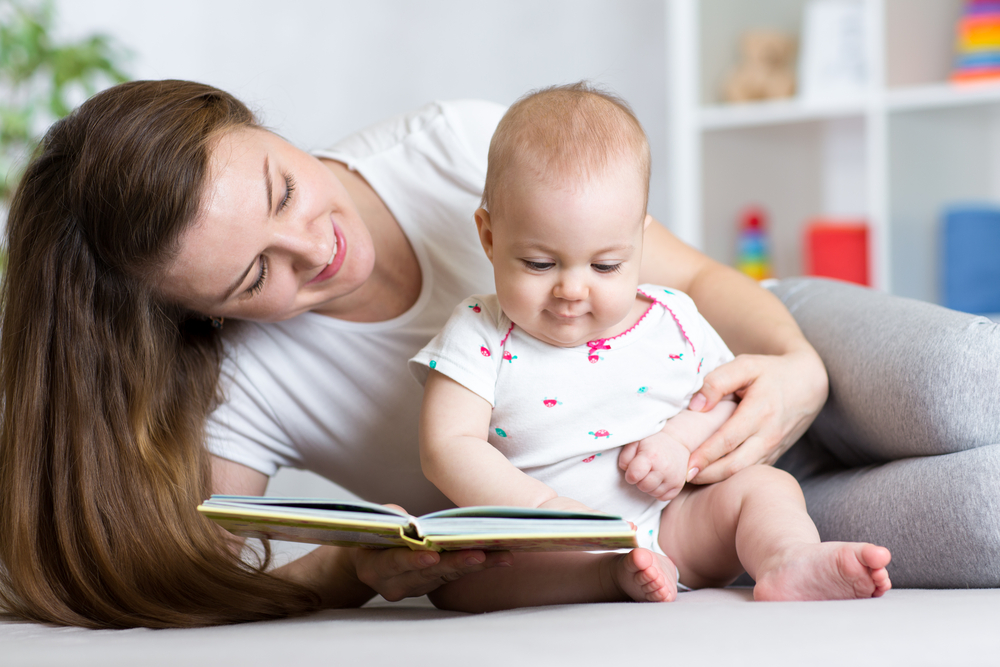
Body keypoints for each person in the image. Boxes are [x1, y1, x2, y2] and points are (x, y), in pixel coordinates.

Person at [0, 78, 994, 629]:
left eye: (280, 191)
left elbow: (693, 281)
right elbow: (215, 577)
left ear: (262, 126)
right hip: (696, 513)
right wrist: (356, 567)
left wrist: (795, 368)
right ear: (197, 316)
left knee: (965, 385)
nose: (312, 247)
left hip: (745, 353)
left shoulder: (443, 146)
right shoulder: (238, 387)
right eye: (251, 276)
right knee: (985, 514)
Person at [410, 83, 892, 606]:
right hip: (542, 542)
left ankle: (788, 558)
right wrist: (544, 509)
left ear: (640, 240)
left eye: (605, 266)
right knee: (459, 581)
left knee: (767, 489)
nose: (572, 289)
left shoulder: (671, 317)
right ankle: (606, 576)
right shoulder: (480, 330)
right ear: (489, 236)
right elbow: (447, 447)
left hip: (674, 523)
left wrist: (679, 443)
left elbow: (725, 401)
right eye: (539, 264)